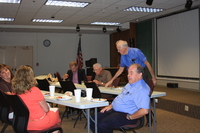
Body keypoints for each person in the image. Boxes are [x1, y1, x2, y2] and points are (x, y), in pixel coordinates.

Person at [90, 64, 150, 133]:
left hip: (126, 114)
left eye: (131, 73)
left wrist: (130, 117)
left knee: (103, 124)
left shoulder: (142, 89)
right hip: (115, 110)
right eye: (128, 73)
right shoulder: (129, 84)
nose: (128, 75)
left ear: (140, 74)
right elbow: (120, 97)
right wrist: (111, 105)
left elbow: (144, 111)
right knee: (92, 119)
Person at [12, 65, 61, 131]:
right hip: (37, 123)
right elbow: (46, 109)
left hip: (22, 123)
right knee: (55, 113)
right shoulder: (34, 90)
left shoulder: (14, 92)